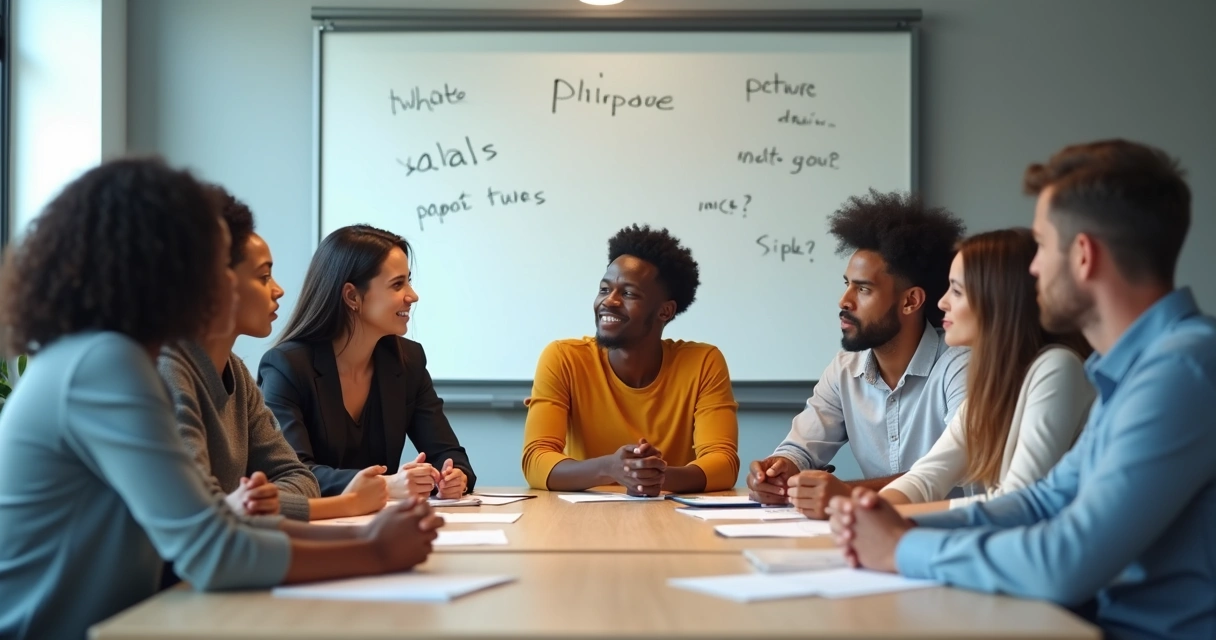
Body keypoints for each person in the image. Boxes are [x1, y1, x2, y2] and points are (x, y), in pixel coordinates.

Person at [0, 158, 442, 640]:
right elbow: (212, 548)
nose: (231, 280)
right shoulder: (105, 365)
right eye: (214, 262)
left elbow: (219, 519)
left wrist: (365, 535)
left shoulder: (116, 358)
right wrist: (373, 551)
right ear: (161, 269)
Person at [828, 140, 1216, 640]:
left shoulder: (1183, 370)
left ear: (1082, 256)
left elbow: (1066, 559)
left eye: (1042, 245)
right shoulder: (1129, 369)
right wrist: (892, 525)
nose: (1031, 270)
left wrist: (900, 549)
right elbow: (1041, 502)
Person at [159, 187, 388, 521]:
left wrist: (256, 503)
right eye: (263, 276)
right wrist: (346, 505)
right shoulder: (169, 373)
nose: (278, 290)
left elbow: (299, 478)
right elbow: (204, 516)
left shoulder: (236, 372)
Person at [747, 190, 969, 518]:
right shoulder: (844, 369)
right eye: (847, 284)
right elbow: (801, 448)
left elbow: (954, 473)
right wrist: (779, 471)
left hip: (952, 535)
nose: (844, 300)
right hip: (872, 534)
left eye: (863, 289)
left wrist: (846, 493)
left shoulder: (960, 364)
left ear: (911, 301)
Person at [880, 228, 1094, 512]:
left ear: (999, 301)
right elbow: (925, 477)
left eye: (956, 291)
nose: (942, 302)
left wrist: (893, 515)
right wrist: (869, 508)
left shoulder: (1058, 367)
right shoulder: (995, 382)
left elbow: (1018, 501)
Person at [259, 224, 475, 499]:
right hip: (315, 529)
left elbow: (448, 453)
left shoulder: (408, 361)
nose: (413, 296)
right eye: (398, 284)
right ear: (352, 296)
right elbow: (293, 474)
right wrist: (387, 485)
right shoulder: (286, 367)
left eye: (408, 281)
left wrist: (455, 476)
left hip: (383, 528)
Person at [521, 224, 739, 495]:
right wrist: (610, 468)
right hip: (580, 521)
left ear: (665, 311)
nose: (608, 302)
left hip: (671, 519)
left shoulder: (703, 363)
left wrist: (656, 476)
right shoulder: (564, 358)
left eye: (628, 294)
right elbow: (535, 459)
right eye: (604, 289)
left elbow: (723, 463)